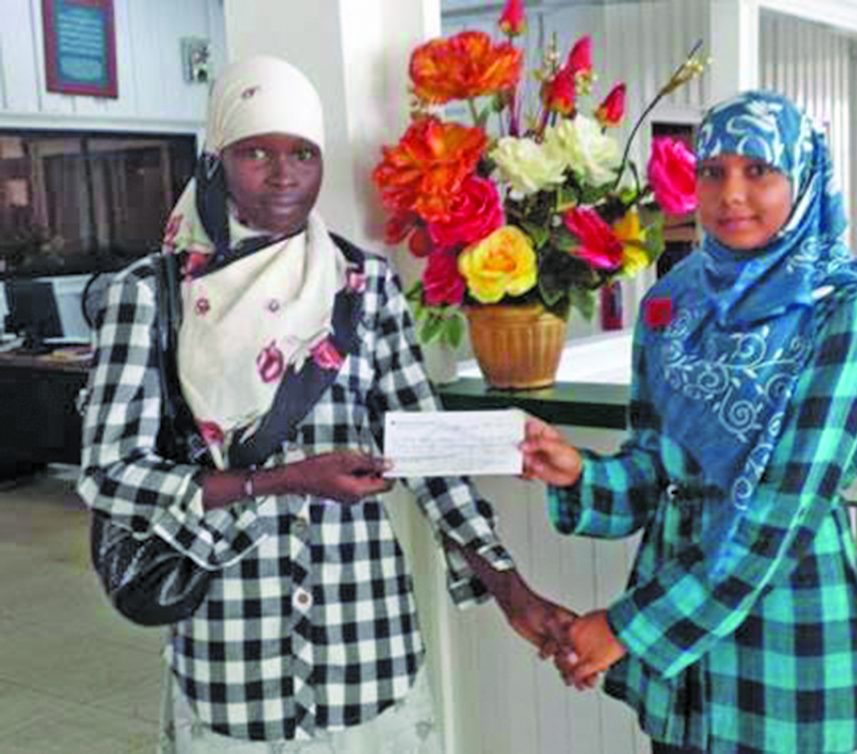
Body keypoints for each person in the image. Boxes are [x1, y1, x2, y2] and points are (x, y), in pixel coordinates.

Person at [77, 55, 573, 752]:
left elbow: (423, 452)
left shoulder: (360, 285)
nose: (283, 174)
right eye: (256, 152)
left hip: (367, 645)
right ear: (217, 162)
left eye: (302, 154)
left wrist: (510, 589)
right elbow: (108, 473)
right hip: (233, 652)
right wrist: (280, 480)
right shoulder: (150, 296)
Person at [520, 90, 857, 753]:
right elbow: (654, 470)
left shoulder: (840, 310)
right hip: (684, 668)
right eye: (712, 170)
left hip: (783, 640)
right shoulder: (671, 306)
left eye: (758, 170)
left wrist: (625, 629)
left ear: (802, 178)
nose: (731, 194)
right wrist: (580, 472)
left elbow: (781, 511)